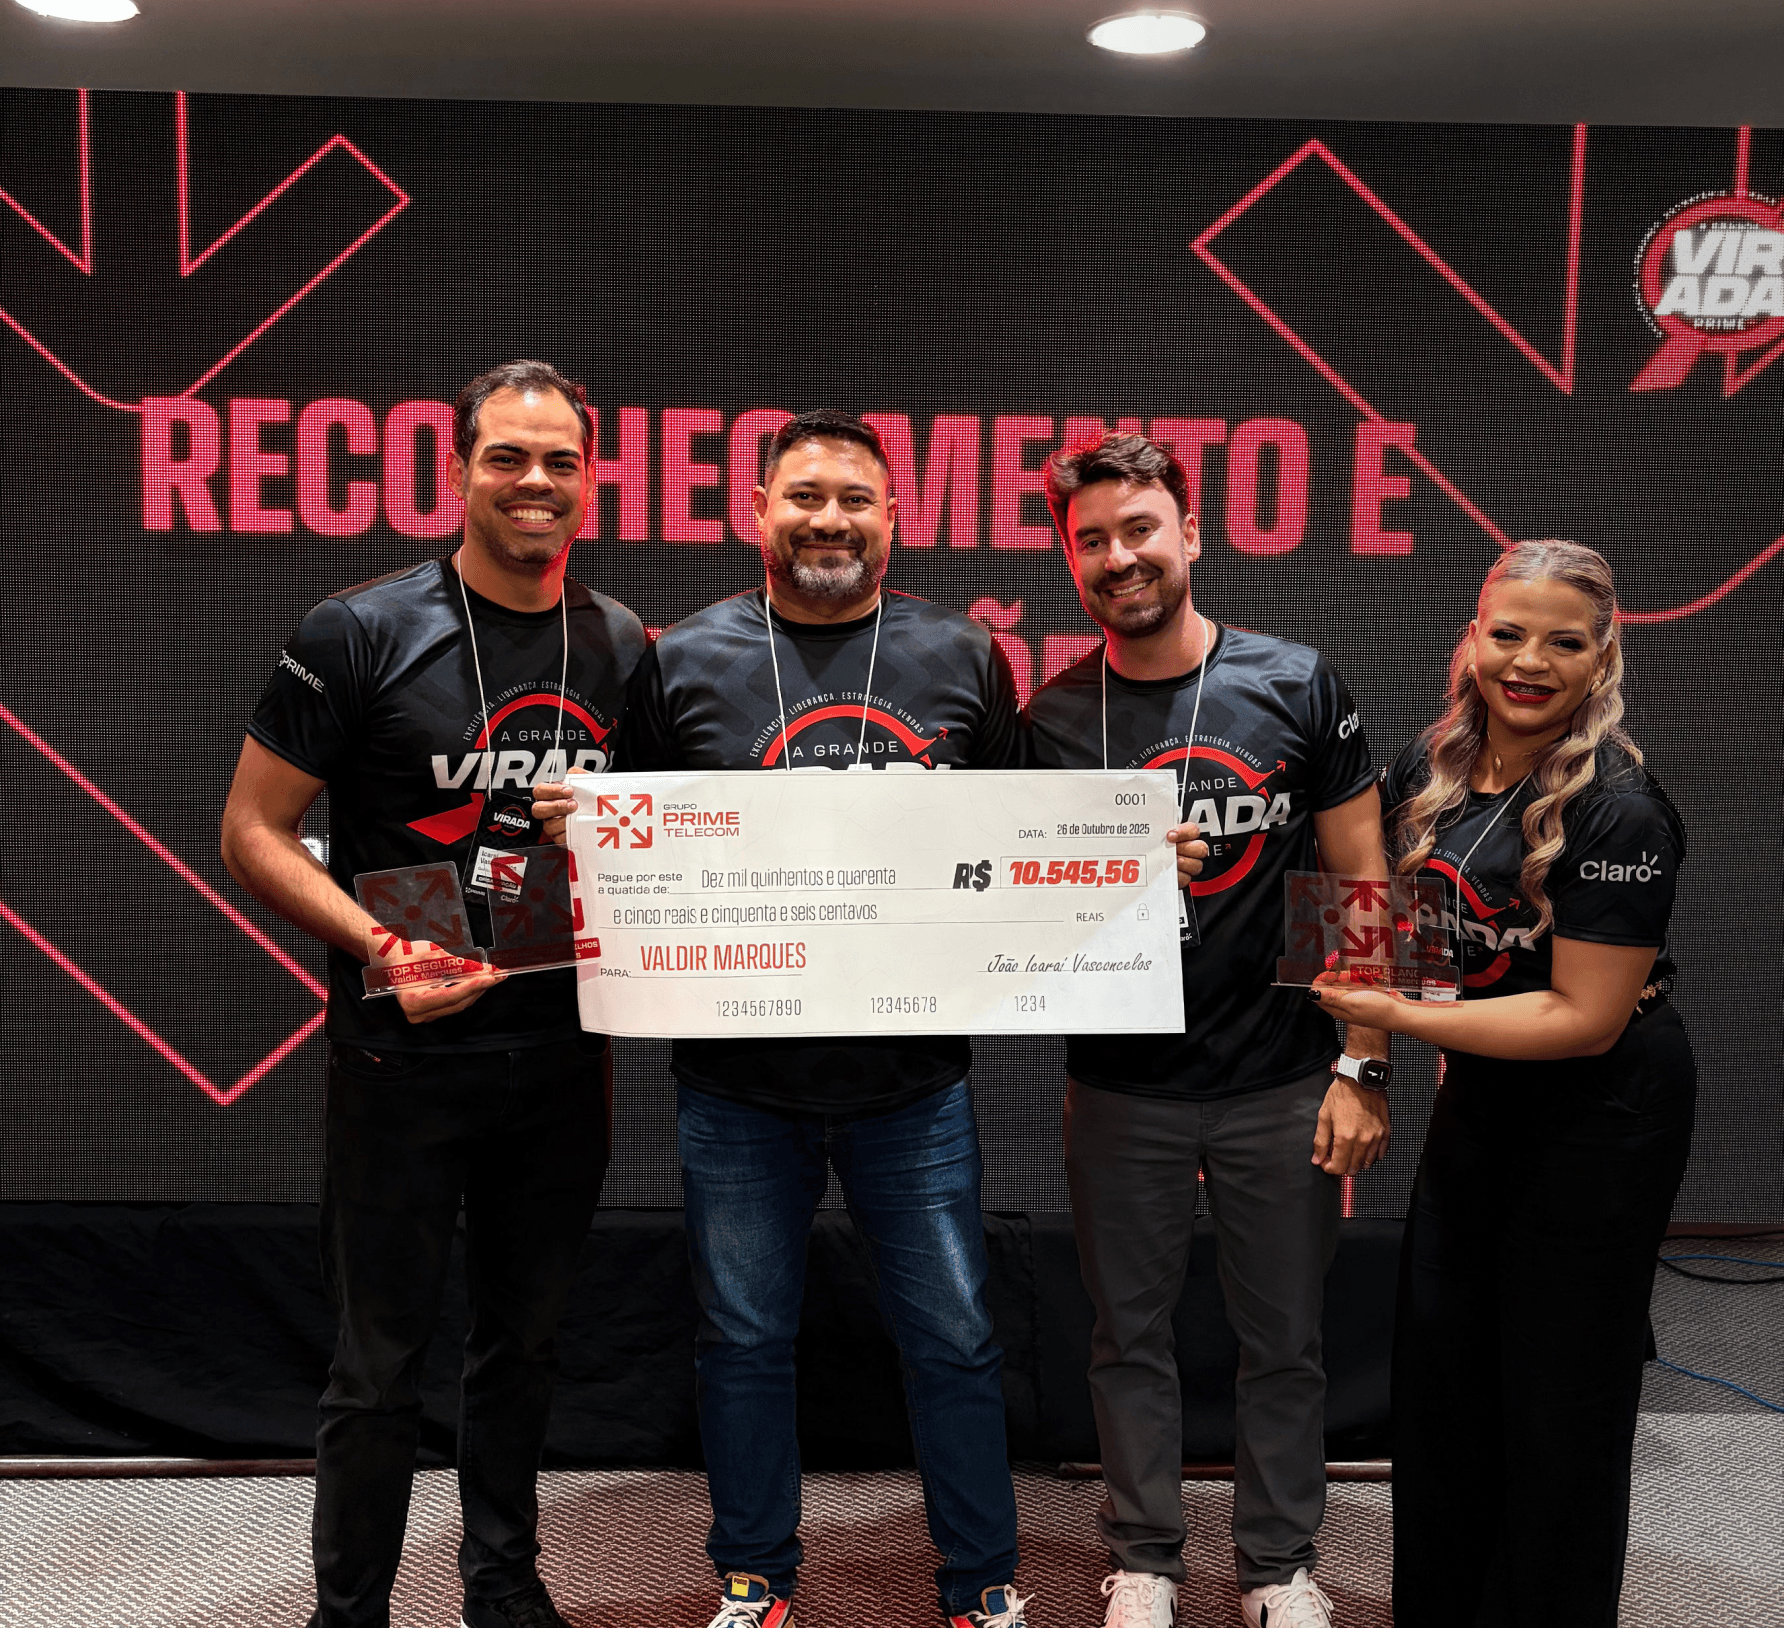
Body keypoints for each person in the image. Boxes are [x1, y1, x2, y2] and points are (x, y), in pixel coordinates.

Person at [536, 408, 1030, 1628]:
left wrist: (1125, 856)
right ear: (756, 510)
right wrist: (588, 823)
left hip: (912, 1079)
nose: (828, 520)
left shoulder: (962, 654)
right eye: (803, 496)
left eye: (854, 499)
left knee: (955, 1339)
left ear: (893, 517)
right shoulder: (683, 658)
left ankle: (981, 1583)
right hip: (735, 1081)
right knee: (743, 1339)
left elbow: (1022, 835)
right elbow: (637, 838)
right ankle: (753, 1578)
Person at [220, 360, 646, 1628]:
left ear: (590, 479)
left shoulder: (622, 642)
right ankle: (347, 1611)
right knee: (378, 1362)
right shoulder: (356, 629)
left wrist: (610, 831)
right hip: (398, 1063)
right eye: (505, 456)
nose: (533, 480)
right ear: (456, 470)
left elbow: (661, 837)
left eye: (559, 459)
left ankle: (502, 1590)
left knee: (523, 1346)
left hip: (561, 1056)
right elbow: (250, 830)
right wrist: (382, 943)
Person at [1023, 432, 1392, 1628]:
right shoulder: (1050, 716)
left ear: (1189, 531)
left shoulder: (1295, 681)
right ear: (1069, 559)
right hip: (1119, 1084)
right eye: (1090, 540)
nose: (1117, 557)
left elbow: (1359, 879)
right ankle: (1143, 1554)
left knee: (1281, 1339)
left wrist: (1363, 1065)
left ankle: (1277, 1564)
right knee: (1125, 1335)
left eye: (1138, 528)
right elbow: (1012, 905)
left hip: (1280, 1075)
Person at [1309, 540, 1693, 1627]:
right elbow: (1374, 922)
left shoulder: (1619, 808)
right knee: (1445, 1381)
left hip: (1602, 1116)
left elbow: (1581, 1017)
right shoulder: (1426, 768)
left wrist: (1395, 1019)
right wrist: (1361, 1063)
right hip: (1479, 1097)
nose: (1528, 662)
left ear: (1600, 656)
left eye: (1561, 642)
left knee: (1559, 1400)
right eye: (1507, 633)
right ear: (1472, 637)